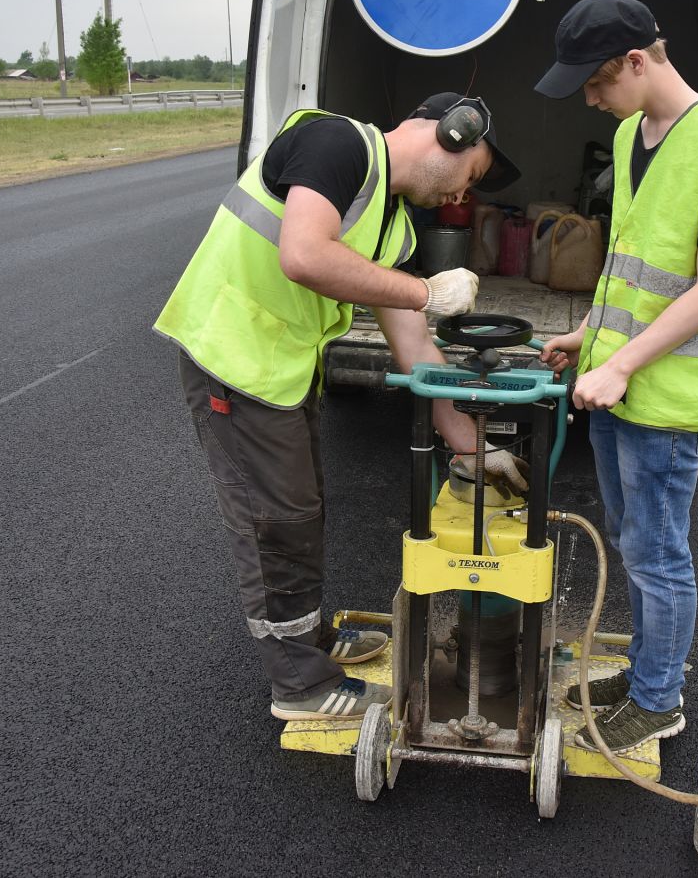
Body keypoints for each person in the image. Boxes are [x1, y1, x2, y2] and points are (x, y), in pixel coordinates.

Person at [155, 93, 529, 722]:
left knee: (302, 509)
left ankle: (312, 640)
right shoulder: (336, 144)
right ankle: (298, 684)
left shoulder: (394, 224)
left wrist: (468, 444)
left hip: (279, 367)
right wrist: (425, 290)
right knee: (277, 521)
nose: (463, 197)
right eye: (473, 175)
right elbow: (303, 255)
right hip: (232, 355)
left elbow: (413, 340)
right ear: (454, 133)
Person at [536, 0, 698, 753]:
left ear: (637, 61)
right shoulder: (635, 132)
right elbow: (632, 269)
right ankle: (644, 673)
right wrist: (588, 336)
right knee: (633, 539)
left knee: (658, 551)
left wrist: (624, 362)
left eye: (596, 84)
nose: (592, 101)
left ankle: (659, 699)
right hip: (620, 377)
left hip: (670, 393)